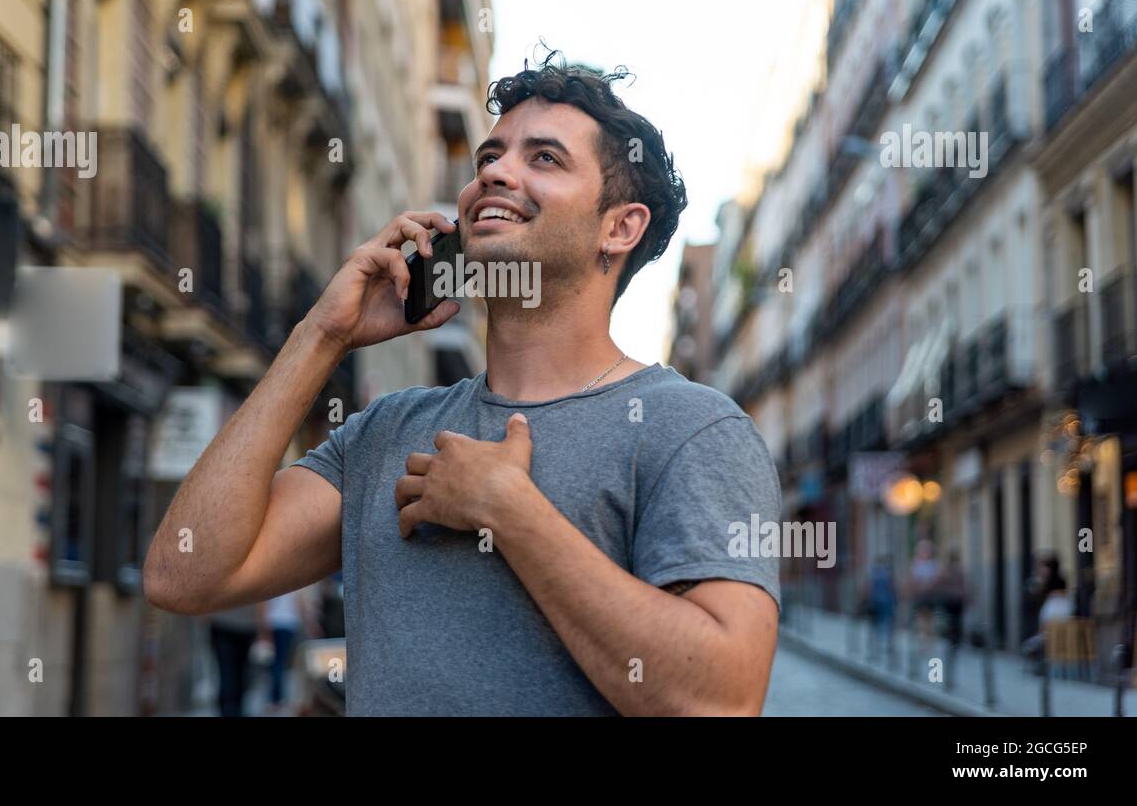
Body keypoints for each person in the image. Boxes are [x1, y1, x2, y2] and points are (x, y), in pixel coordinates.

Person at [144, 52, 782, 716]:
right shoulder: (383, 431)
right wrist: (321, 336)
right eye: (489, 157)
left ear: (619, 227)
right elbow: (183, 574)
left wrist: (509, 508)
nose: (494, 174)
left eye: (543, 159)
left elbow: (721, 699)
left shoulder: (693, 429)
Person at [207, 603, 259, 717]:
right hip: (226, 624)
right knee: (230, 673)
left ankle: (232, 710)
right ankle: (231, 710)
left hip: (241, 625)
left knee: (233, 672)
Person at [864, 555, 897, 662]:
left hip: (877, 603)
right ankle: (888, 647)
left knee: (875, 627)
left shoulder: (874, 573)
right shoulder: (888, 574)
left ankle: (875, 648)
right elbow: (892, 587)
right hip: (886, 602)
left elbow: (869, 588)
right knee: (888, 626)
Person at [907, 539, 940, 640]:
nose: (925, 552)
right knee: (921, 618)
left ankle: (928, 638)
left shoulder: (933, 564)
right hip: (920, 595)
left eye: (927, 550)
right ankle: (923, 637)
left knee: (930, 618)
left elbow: (937, 579)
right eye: (923, 550)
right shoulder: (916, 564)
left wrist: (930, 584)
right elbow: (912, 580)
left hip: (930, 595)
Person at [937, 549, 966, 646]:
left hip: (950, 599)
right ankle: (955, 639)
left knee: (952, 620)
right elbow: (963, 585)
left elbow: (940, 583)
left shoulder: (946, 570)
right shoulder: (958, 570)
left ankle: (953, 638)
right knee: (956, 620)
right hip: (956, 599)